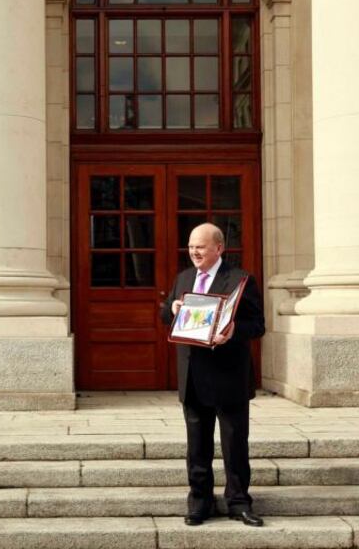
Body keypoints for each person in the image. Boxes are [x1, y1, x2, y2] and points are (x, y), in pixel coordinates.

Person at [160, 222, 266, 527]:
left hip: (229, 374)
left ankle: (238, 502)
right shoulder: (184, 278)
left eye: (200, 247)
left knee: (235, 443)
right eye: (191, 246)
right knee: (197, 445)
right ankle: (200, 502)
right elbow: (165, 312)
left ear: (218, 248)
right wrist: (174, 308)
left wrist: (233, 331)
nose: (193, 252)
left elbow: (257, 325)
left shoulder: (240, 279)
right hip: (193, 374)